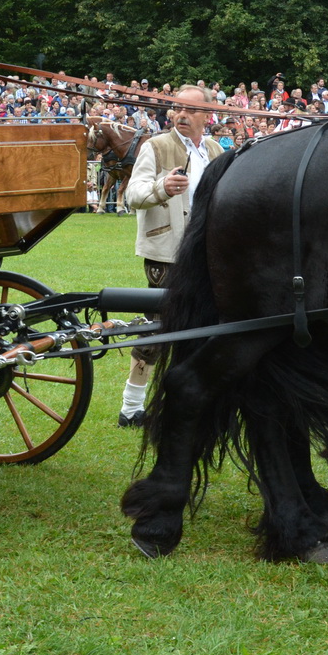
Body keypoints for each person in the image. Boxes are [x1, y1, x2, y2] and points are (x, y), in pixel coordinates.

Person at [118, 85, 225, 427]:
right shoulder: (156, 146)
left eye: (191, 110)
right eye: (177, 108)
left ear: (207, 115)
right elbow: (133, 195)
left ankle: (193, 403)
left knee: (203, 328)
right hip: (166, 254)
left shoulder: (213, 149)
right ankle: (131, 408)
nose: (181, 115)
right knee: (156, 330)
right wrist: (161, 189)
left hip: (205, 253)